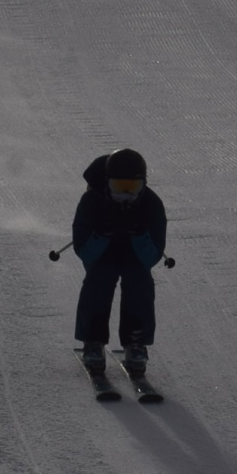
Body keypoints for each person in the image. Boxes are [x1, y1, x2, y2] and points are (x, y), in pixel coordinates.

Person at [71, 148, 167, 374]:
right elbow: (84, 252)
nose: (125, 194)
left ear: (143, 184)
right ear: (107, 183)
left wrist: (140, 235)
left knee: (139, 282)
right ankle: (93, 339)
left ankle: (136, 341)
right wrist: (101, 234)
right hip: (103, 254)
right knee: (99, 279)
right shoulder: (92, 201)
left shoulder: (151, 204)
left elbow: (152, 257)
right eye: (118, 187)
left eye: (132, 188)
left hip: (135, 256)